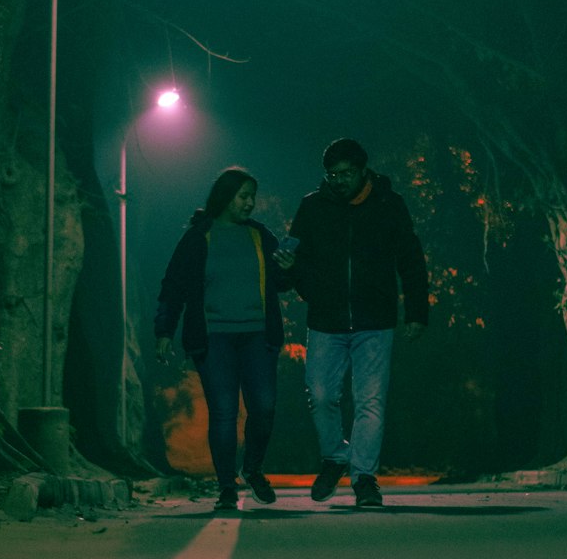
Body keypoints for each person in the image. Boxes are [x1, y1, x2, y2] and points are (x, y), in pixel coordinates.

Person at [285, 138, 428, 509]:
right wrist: (303, 285)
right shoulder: (312, 207)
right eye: (333, 174)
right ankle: (335, 457)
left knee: (370, 401)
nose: (339, 181)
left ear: (364, 171)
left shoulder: (388, 205)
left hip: (375, 321)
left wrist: (416, 311)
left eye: (346, 173)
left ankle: (364, 477)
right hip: (326, 320)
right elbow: (295, 260)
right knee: (319, 395)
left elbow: (411, 258)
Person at [154, 167, 293, 511]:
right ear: (225, 197)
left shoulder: (261, 235)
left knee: (264, 406)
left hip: (258, 335)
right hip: (214, 338)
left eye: (252, 197)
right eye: (243, 196)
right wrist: (164, 332)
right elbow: (173, 287)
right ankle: (227, 486)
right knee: (224, 412)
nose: (250, 203)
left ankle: (253, 468)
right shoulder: (199, 237)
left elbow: (282, 283)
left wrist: (288, 267)